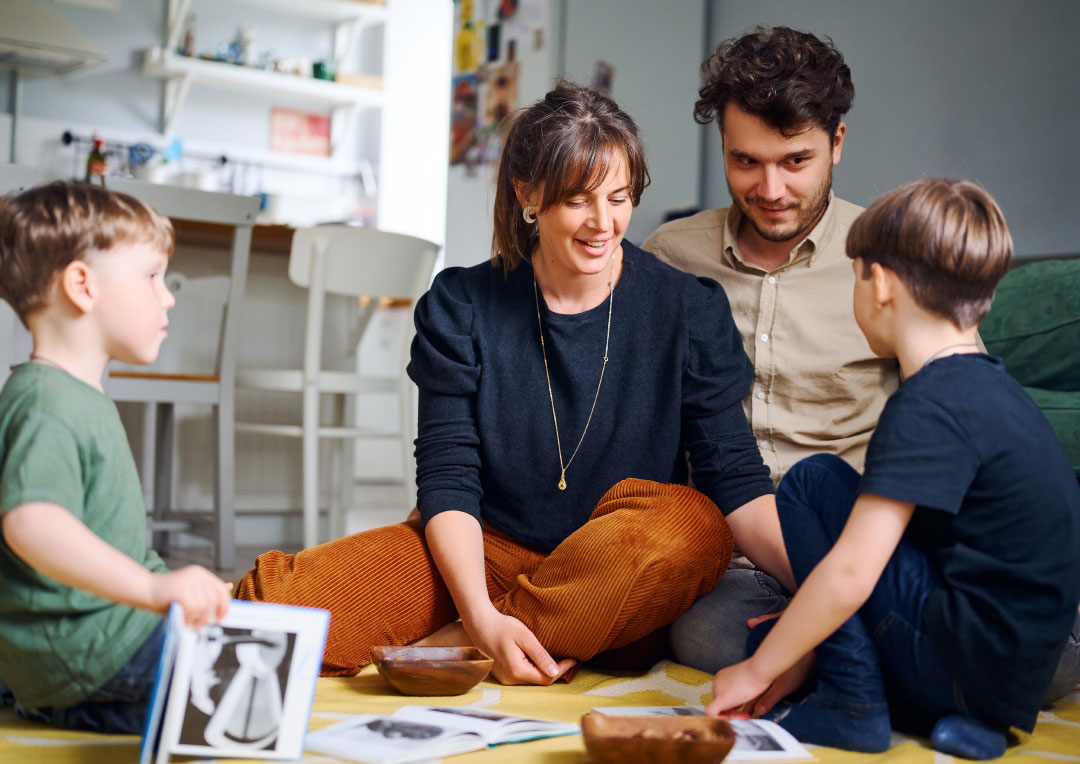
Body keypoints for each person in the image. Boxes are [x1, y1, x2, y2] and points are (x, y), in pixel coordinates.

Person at [234, 82, 788, 685]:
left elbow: (734, 478)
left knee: (693, 527)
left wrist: (828, 591)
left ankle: (464, 645)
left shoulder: (687, 309)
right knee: (263, 608)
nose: (605, 224)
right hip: (481, 554)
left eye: (620, 197)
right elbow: (448, 479)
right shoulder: (461, 303)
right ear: (528, 194)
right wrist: (478, 614)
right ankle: (498, 638)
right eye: (579, 201)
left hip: (612, 565)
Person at [649, 26, 1080, 700]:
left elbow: (966, 409)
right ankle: (869, 656)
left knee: (1037, 653)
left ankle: (835, 650)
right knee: (702, 634)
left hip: (874, 548)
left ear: (836, 145)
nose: (769, 188)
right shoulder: (671, 256)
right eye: (745, 161)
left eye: (795, 160)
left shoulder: (885, 256)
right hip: (739, 559)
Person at [705, 179, 1080, 759]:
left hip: (962, 661)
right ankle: (962, 720)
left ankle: (851, 703)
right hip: (1012, 687)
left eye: (853, 275)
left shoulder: (926, 404)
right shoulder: (995, 391)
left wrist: (759, 670)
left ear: (878, 283)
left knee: (814, 482)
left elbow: (855, 570)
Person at [0, 181, 233, 734]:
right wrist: (153, 590)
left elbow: (106, 535)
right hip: (85, 655)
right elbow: (32, 523)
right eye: (153, 276)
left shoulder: (74, 393)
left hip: (94, 640)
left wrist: (165, 583)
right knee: (248, 697)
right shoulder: (47, 402)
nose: (168, 295)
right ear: (82, 285)